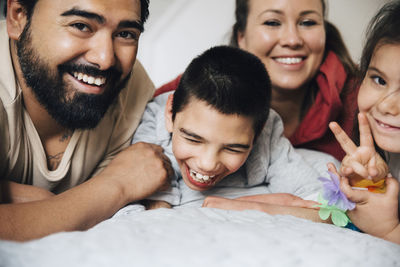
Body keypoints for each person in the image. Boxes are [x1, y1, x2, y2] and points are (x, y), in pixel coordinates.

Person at [0, 0, 172, 241]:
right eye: (81, 25)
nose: (105, 59)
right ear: (18, 17)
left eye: (125, 34)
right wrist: (116, 185)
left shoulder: (132, 89)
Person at [133, 45, 337, 224]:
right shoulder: (153, 126)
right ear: (170, 114)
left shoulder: (268, 132)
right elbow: (156, 211)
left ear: (258, 133)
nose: (208, 163)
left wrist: (243, 205)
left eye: (232, 148)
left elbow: (318, 206)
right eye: (193, 139)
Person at [155, 0, 358, 161]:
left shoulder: (361, 99)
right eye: (272, 22)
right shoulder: (199, 87)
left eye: (307, 23)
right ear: (241, 36)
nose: (292, 40)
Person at [327, 1, 400, 244]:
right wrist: (370, 183)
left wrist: (388, 231)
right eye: (379, 80)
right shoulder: (382, 148)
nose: (388, 106)